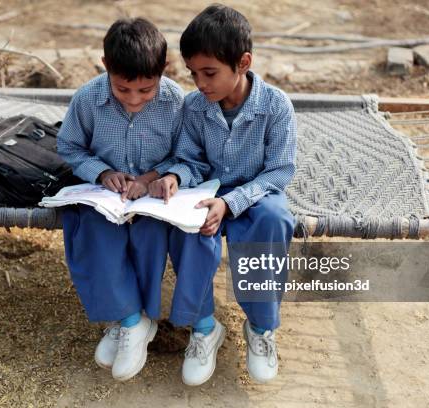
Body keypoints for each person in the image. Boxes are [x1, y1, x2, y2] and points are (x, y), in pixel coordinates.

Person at [149, 4, 297, 385]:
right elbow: (189, 159)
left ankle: (261, 329)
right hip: (206, 192)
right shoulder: (195, 107)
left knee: (275, 221)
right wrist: (175, 177)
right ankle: (203, 328)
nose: (200, 83)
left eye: (209, 73)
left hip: (256, 194)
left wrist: (231, 203)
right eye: (193, 73)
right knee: (188, 228)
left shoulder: (276, 106)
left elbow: (279, 171)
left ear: (243, 62)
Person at [56, 17, 184, 382]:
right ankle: (130, 321)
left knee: (149, 237)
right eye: (123, 89)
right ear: (106, 66)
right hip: (104, 197)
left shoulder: (176, 102)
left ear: (163, 70)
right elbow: (69, 146)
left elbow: (187, 155)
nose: (134, 100)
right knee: (92, 235)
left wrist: (152, 178)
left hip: (154, 199)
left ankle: (133, 316)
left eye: (146, 90)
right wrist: (100, 172)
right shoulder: (87, 100)